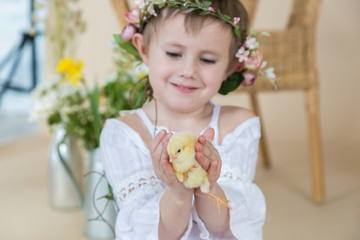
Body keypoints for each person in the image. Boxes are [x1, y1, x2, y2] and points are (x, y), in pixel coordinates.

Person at [101, 1, 275, 239]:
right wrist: (178, 193)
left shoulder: (238, 126)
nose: (188, 70)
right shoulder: (125, 134)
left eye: (207, 60)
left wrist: (208, 186)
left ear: (232, 66)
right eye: (174, 53)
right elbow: (147, 232)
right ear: (144, 49)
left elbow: (223, 227)